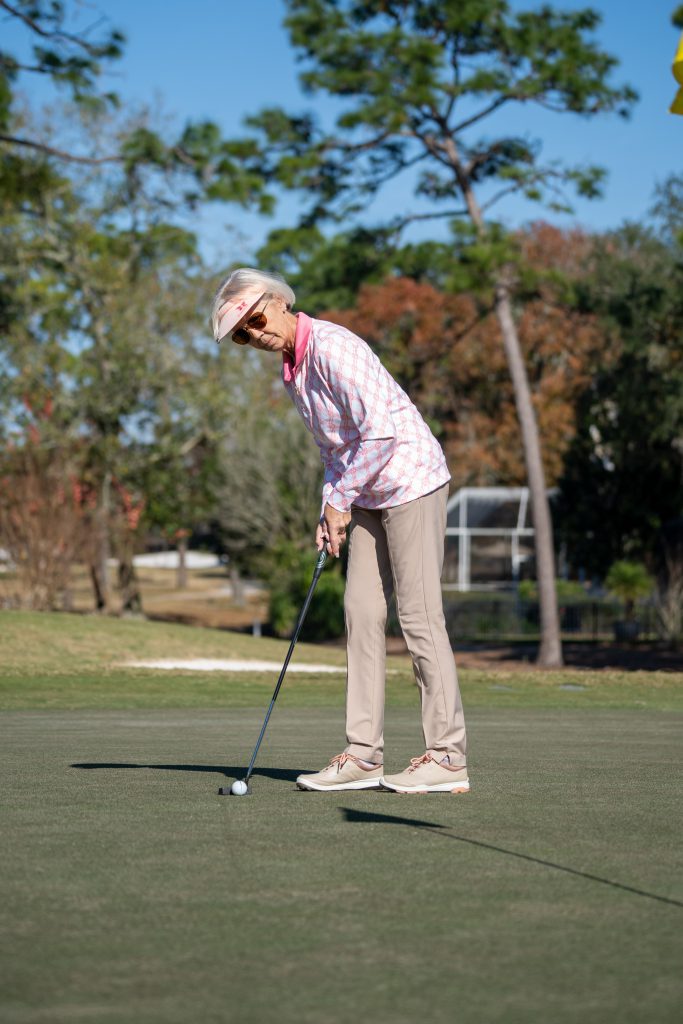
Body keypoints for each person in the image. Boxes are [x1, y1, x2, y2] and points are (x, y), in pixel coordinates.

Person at [211, 268, 468, 795]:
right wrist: (330, 505)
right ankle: (364, 755)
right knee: (360, 612)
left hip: (411, 480)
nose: (254, 335)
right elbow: (335, 449)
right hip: (367, 492)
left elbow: (381, 431)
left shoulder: (332, 346)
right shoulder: (293, 369)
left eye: (255, 319)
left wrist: (341, 498)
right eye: (242, 334)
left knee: (419, 617)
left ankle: (447, 756)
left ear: (280, 303)